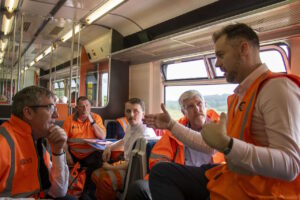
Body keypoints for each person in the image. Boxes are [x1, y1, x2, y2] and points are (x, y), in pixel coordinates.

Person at [144, 23, 300, 200]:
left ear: (243, 49)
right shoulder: (239, 97)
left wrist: (229, 146)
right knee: (161, 173)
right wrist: (171, 125)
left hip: (261, 192)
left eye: (220, 55)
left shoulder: (276, 88)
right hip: (235, 179)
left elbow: (290, 166)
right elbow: (212, 146)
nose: (217, 63)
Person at [126, 90, 221, 200]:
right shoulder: (174, 131)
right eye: (190, 106)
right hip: (181, 180)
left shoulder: (220, 127)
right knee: (137, 188)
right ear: (183, 111)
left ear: (205, 105)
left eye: (199, 104)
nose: (196, 109)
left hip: (214, 179)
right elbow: (158, 160)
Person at [0, 86, 70, 198]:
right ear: (28, 112)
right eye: (51, 108)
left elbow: (59, 192)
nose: (57, 115)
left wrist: (58, 151)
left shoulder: (40, 140)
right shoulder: (3, 142)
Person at [91, 98, 156, 200]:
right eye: (128, 111)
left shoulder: (145, 134)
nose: (131, 115)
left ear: (143, 114)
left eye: (136, 111)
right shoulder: (131, 126)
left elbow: (133, 164)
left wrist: (110, 168)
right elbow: (124, 140)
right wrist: (109, 147)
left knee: (105, 180)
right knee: (95, 173)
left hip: (134, 171)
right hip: (126, 163)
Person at [62, 96, 106, 199]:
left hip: (91, 155)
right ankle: (71, 192)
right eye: (81, 107)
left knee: (97, 162)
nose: (84, 109)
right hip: (74, 155)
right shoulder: (69, 120)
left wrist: (92, 121)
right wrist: (67, 154)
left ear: (90, 107)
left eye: (87, 106)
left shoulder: (96, 118)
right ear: (77, 108)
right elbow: (63, 141)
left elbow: (102, 136)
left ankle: (87, 193)